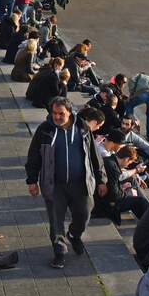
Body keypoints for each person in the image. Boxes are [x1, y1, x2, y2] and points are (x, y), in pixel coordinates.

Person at [24, 97, 105, 269]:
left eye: (61, 113)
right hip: (54, 184)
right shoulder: (45, 130)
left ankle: (74, 234)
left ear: (70, 113)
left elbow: (93, 155)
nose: (57, 117)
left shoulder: (82, 128)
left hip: (80, 183)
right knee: (56, 221)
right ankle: (59, 252)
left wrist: (101, 179)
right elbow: (33, 156)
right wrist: (32, 180)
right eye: (54, 113)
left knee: (84, 214)